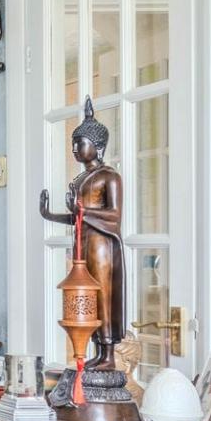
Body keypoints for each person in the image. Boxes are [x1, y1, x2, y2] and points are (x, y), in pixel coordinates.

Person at [38, 99, 124, 368]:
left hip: (102, 246)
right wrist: (49, 214)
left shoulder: (109, 176)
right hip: (82, 246)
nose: (75, 149)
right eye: (73, 144)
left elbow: (114, 216)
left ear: (98, 146)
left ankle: (108, 354)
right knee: (86, 298)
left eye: (80, 143)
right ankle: (94, 350)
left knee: (103, 296)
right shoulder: (80, 179)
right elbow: (78, 217)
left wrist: (82, 211)